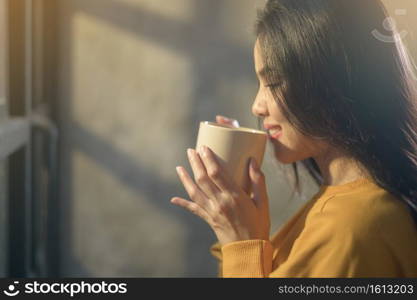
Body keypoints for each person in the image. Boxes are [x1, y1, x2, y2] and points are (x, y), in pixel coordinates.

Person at [171, 0, 417, 277]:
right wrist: (234, 231)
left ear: (332, 80)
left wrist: (241, 244)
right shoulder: (349, 204)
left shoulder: (352, 226)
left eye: (274, 83)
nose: (257, 106)